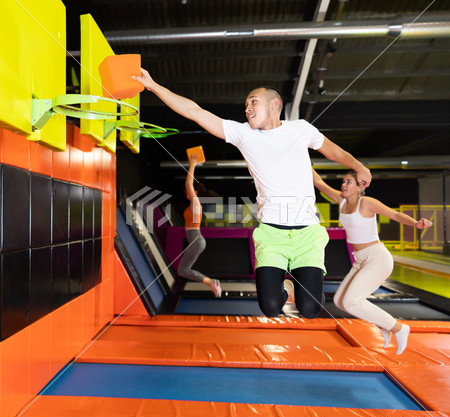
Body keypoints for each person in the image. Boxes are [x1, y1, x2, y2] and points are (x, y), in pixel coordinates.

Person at [134, 69, 372, 318]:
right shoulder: (243, 134)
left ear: (274, 104)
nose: (247, 108)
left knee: (310, 309)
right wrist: (153, 86)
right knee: (270, 307)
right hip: (271, 234)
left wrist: (358, 166)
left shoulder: (301, 129)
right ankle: (286, 286)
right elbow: (195, 112)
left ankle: (303, 288)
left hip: (307, 235)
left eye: (253, 102)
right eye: (245, 105)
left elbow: (332, 151)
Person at [312, 169, 432, 354]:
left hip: (377, 258)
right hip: (360, 260)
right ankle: (385, 325)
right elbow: (319, 182)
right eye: (343, 182)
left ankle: (398, 328)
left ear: (361, 186)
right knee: (339, 301)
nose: (343, 185)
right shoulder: (341, 200)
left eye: (349, 182)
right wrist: (302, 157)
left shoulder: (366, 202)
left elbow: (395, 215)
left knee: (351, 301)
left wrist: (416, 223)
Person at [177, 152, 222, 297]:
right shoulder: (193, 204)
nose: (186, 193)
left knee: (183, 270)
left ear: (195, 192)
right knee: (184, 270)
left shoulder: (196, 202)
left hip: (197, 240)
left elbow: (188, 183)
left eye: (189, 192)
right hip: (196, 239)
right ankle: (212, 283)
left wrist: (192, 165)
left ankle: (212, 283)